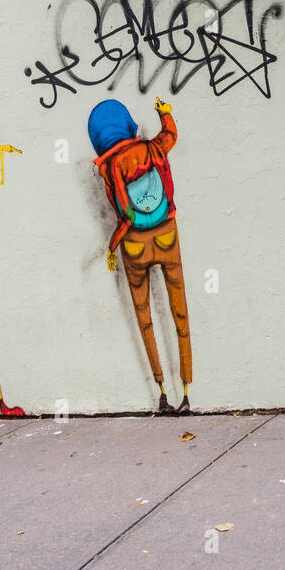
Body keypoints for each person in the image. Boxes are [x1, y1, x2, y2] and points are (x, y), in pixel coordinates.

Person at [88, 97, 193, 414]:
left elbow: (126, 215)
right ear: (129, 125)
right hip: (166, 234)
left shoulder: (109, 168)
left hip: (133, 245)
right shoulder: (152, 149)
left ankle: (161, 391)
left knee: (145, 319)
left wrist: (111, 246)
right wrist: (165, 114)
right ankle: (186, 390)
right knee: (180, 313)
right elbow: (171, 136)